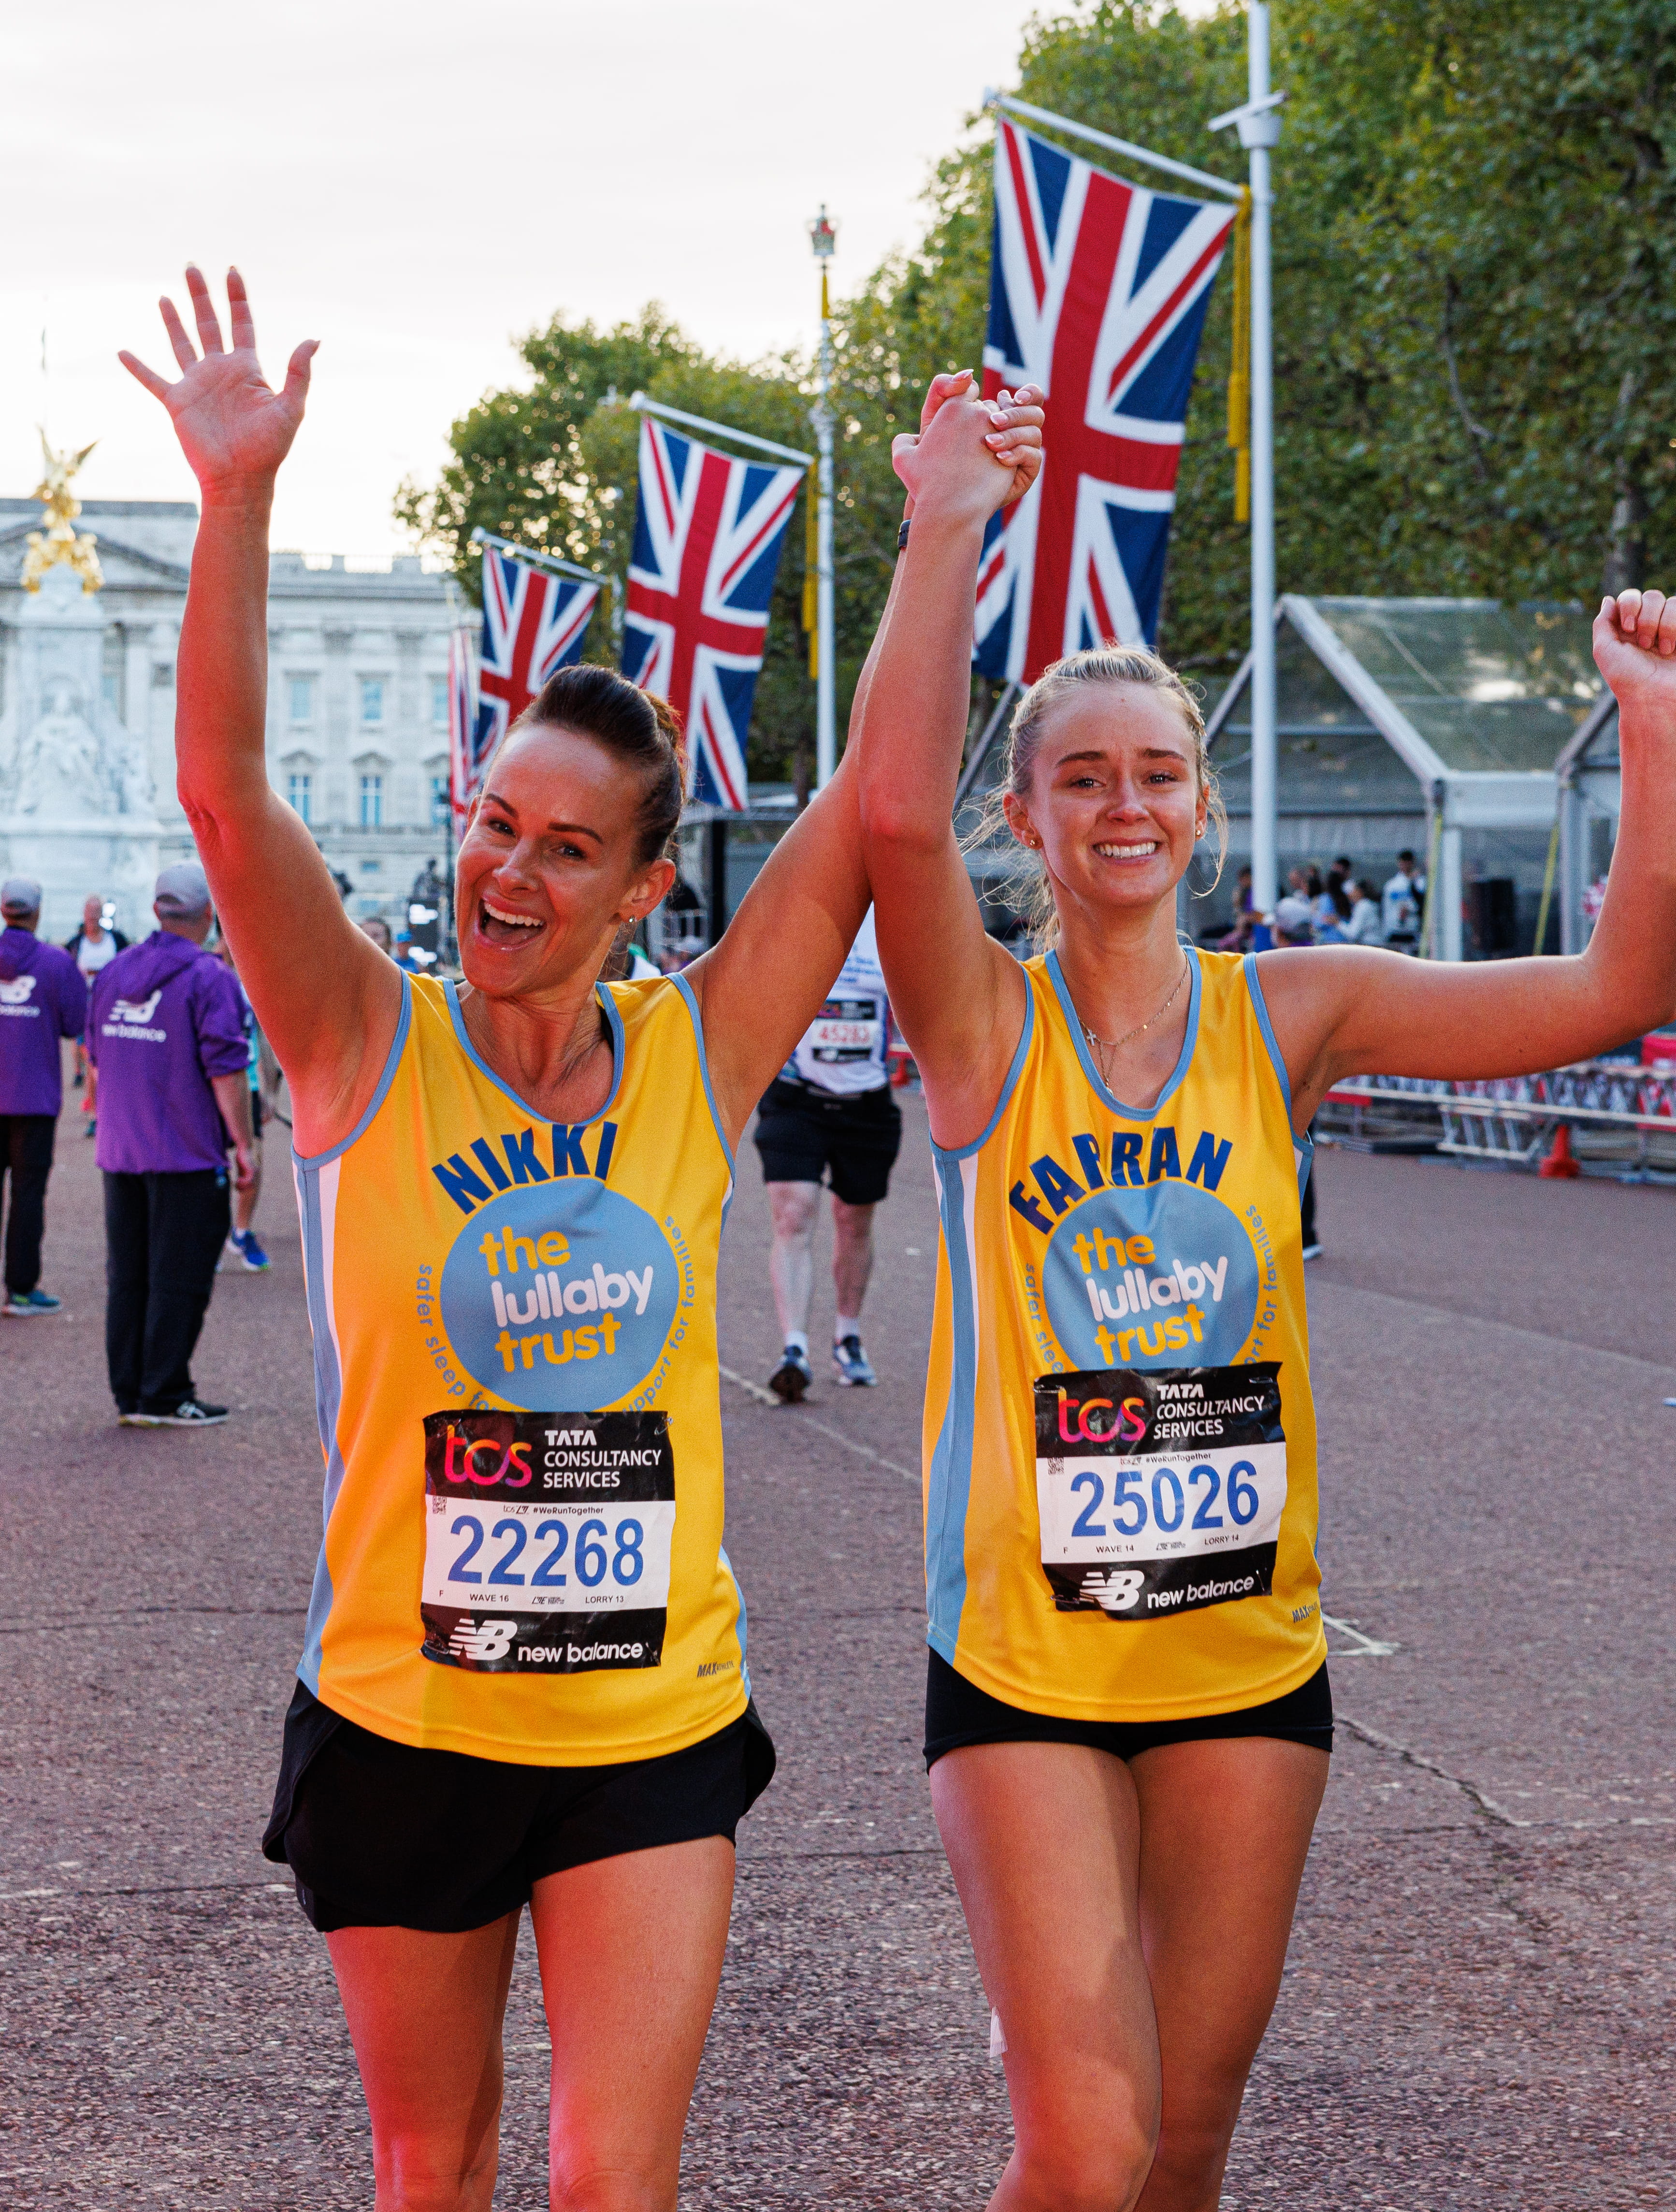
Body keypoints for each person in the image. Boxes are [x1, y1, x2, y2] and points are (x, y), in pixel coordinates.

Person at [120, 269, 1040, 2211]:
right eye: (488, 819)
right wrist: (233, 502)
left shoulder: (694, 1058)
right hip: (405, 1713)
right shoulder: (363, 1034)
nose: (502, 868)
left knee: (616, 2184)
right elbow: (218, 788)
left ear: (639, 885)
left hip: (648, 1718)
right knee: (426, 2167)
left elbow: (886, 811)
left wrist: (941, 529)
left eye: (560, 844)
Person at [856, 382, 1676, 2212]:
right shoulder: (986, 1025)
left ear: (1203, 803)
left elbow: (1621, 988)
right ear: (1029, 811)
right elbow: (891, 826)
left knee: (1182, 2151)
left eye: (1156, 772)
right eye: (1082, 776)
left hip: (1247, 1651)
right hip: (1029, 1660)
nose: (1125, 805)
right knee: (1079, 2150)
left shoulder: (1290, 1010)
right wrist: (947, 532)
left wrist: (1652, 727)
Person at [87, 863, 256, 1424]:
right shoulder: (210, 977)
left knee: (130, 1274)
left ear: (159, 911)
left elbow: (94, 1055)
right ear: (209, 915)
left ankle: (129, 1389)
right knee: (178, 1278)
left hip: (121, 1148)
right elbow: (226, 1069)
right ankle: (163, 1390)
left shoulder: (115, 971)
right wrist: (244, 1144)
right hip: (184, 1148)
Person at [755, 907, 900, 1398]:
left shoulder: (892, 921)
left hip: (867, 1104)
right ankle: (793, 1347)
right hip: (797, 1100)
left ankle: (847, 1335)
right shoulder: (798, 908)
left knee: (853, 1220)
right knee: (794, 1213)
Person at [0, 877, 87, 1316]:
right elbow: (75, 1023)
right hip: (33, 1095)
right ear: (35, 913)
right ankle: (20, 1289)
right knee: (28, 1194)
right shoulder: (56, 962)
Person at [214, 920, 272, 1272]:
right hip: (210, 1084)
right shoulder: (207, 973)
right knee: (212, 1166)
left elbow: (264, 1037)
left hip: (248, 1084)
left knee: (254, 1163)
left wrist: (270, 1089)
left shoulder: (258, 978)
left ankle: (241, 1231)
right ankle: (211, 1234)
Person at [66, 893, 130, 1133]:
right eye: (89, 914)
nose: (92, 918)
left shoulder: (117, 940)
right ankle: (95, 1113)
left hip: (114, 1009)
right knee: (91, 1059)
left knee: (113, 1061)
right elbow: (66, 973)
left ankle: (113, 1109)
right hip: (86, 1010)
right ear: (84, 916)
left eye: (96, 913)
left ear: (102, 914)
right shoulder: (75, 944)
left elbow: (131, 967)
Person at [1382, 848, 1425, 949]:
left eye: (1408, 862)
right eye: (1403, 862)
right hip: (1395, 932)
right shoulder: (1391, 885)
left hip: (1414, 932)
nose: (1405, 865)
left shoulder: (1421, 883)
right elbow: (1386, 910)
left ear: (1413, 863)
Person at [1339, 877, 1385, 946]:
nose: (1350, 896)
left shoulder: (1362, 906)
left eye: (1353, 891)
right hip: (1377, 944)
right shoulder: (1371, 904)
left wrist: (1337, 923)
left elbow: (1353, 934)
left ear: (1359, 891)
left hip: (1370, 946)